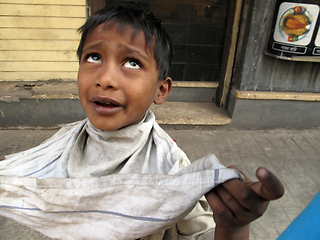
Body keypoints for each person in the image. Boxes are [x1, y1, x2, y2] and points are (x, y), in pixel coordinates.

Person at [0, 4, 284, 240]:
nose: (105, 79)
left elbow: (201, 233)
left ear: (161, 90)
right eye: (94, 57)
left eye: (132, 63)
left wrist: (234, 226)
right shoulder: (64, 141)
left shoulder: (170, 168)